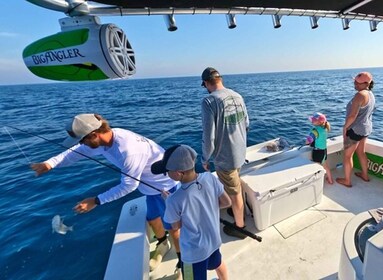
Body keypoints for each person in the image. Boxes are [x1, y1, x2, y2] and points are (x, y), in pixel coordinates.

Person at [30, 113, 182, 277]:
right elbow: (76, 152)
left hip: (165, 186)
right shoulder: (104, 140)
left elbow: (128, 186)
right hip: (150, 188)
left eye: (83, 140)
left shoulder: (128, 150)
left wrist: (95, 201)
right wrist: (50, 164)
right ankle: (162, 243)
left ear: (94, 134)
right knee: (152, 219)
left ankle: (182, 259)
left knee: (173, 227)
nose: (82, 144)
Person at [151, 144, 231, 280]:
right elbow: (227, 202)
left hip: (193, 253)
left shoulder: (173, 200)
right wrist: (207, 206)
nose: (167, 174)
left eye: (167, 172)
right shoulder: (210, 178)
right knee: (218, 263)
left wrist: (168, 201)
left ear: (178, 173)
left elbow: (175, 226)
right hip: (213, 241)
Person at [200, 67, 249, 239]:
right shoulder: (238, 96)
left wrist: (205, 158)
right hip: (241, 152)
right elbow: (247, 124)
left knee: (234, 193)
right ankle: (236, 210)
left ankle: (240, 226)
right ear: (220, 79)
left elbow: (209, 137)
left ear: (206, 83)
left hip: (225, 158)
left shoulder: (209, 102)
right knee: (235, 185)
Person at [337, 72, 376, 188]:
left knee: (347, 156)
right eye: (355, 81)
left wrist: (345, 127)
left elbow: (352, 116)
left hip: (355, 130)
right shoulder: (370, 94)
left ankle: (347, 181)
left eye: (357, 82)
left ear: (366, 83)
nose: (355, 83)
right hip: (366, 129)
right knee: (361, 152)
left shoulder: (359, 95)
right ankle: (365, 175)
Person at [305, 112, 333, 184]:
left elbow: (307, 142)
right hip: (324, 151)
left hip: (317, 152)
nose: (312, 121)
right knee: (326, 166)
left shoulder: (315, 131)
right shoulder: (325, 128)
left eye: (314, 120)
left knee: (316, 167)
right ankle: (330, 180)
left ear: (318, 122)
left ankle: (316, 183)